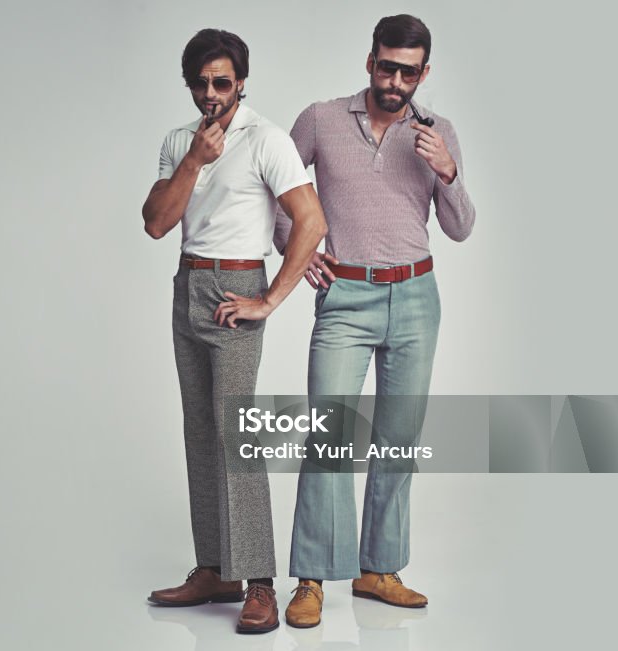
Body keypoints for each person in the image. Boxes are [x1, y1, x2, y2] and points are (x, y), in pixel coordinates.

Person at [274, 14, 476, 629]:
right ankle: (311, 577)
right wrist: (300, 247)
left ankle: (378, 567)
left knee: (399, 439)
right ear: (369, 61)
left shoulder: (439, 133)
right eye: (385, 66)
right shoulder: (321, 119)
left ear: (423, 73)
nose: (394, 80)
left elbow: (461, 227)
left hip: (416, 297)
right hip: (346, 298)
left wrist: (447, 171)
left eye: (407, 71)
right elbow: (273, 189)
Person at [142, 28, 327, 634]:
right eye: (201, 83)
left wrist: (269, 300)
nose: (211, 94)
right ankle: (215, 568)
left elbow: (311, 221)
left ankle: (259, 584)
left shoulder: (267, 138)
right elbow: (155, 223)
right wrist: (195, 160)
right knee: (201, 432)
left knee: (236, 435)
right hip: (188, 285)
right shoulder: (179, 143)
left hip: (237, 289)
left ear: (241, 83)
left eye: (222, 82)